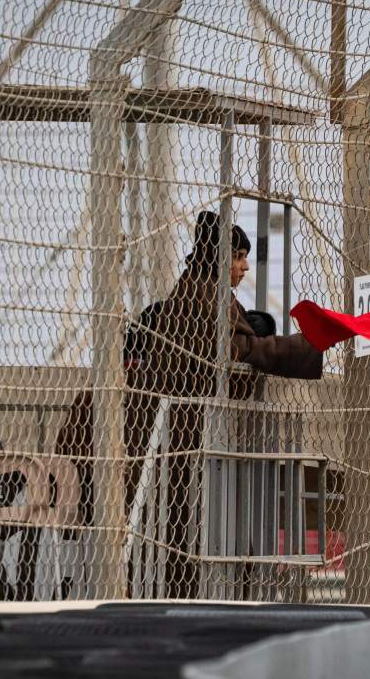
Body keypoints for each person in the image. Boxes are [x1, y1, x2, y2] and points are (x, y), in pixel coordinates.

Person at [55, 211, 323, 596]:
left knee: (193, 540)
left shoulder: (198, 294)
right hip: (188, 443)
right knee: (194, 538)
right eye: (238, 256)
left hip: (188, 442)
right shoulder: (203, 298)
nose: (245, 266)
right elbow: (234, 351)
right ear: (218, 258)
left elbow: (233, 348)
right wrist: (306, 347)